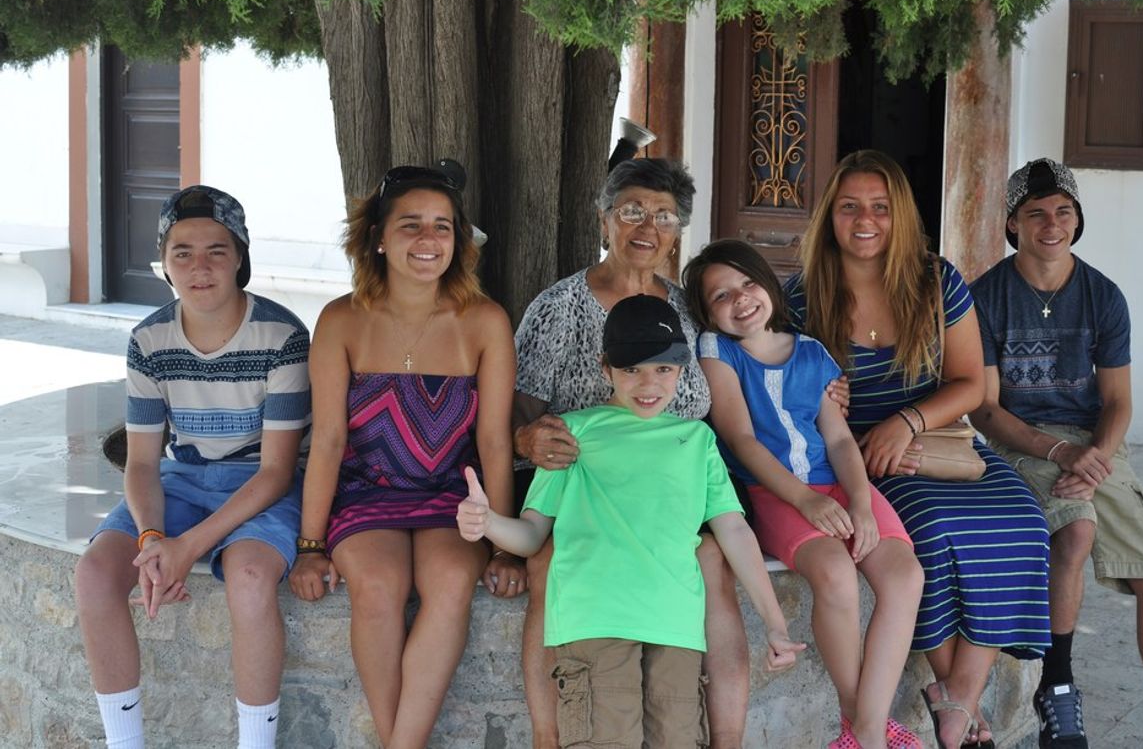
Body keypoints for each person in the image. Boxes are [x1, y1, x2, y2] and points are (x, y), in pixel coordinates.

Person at [785, 150, 1052, 749]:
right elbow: (781, 394)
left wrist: (906, 422)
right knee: (928, 531)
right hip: (859, 455)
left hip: (935, 440)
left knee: (1025, 521)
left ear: (900, 214)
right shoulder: (802, 296)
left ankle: (958, 696)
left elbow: (971, 384)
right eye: (850, 206)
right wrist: (831, 406)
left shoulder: (936, 280)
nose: (865, 220)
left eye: (880, 207)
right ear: (829, 215)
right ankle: (957, 708)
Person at [460, 294, 804, 748]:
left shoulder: (696, 439)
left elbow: (734, 531)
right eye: (631, 369)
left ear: (682, 370)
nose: (648, 384)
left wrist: (775, 623)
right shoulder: (571, 432)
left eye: (663, 369)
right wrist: (487, 523)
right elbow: (532, 535)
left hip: (677, 629)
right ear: (606, 369)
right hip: (594, 624)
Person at [511, 158, 752, 748]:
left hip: (675, 487)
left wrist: (827, 389)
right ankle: (550, 738)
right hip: (586, 492)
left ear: (677, 233)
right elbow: (516, 408)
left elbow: (756, 350)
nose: (648, 227)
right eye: (633, 211)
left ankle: (726, 740)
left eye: (664, 217)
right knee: (547, 563)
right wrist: (525, 438)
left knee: (713, 561)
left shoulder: (690, 309)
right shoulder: (559, 307)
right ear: (604, 220)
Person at [286, 161, 518, 748]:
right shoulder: (341, 320)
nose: (428, 239)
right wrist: (311, 547)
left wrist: (503, 543)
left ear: (458, 241)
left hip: (452, 496)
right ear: (379, 239)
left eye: (443, 226)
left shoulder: (485, 321)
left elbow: (494, 441)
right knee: (377, 585)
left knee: (451, 581)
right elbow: (329, 440)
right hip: (366, 493)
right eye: (410, 224)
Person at [74, 185, 311, 749]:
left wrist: (187, 548)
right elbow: (141, 462)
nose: (199, 268)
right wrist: (154, 539)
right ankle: (124, 743)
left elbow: (277, 471)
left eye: (216, 251)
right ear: (164, 262)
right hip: (181, 481)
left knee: (250, 579)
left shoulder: (282, 336)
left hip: (260, 486)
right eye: (182, 253)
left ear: (240, 257)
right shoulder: (149, 339)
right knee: (95, 574)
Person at [969, 158, 1143, 749]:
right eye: (1036, 213)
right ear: (1013, 223)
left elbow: (1118, 401)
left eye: (1064, 212)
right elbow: (985, 411)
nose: (1052, 225)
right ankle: (1058, 688)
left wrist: (1095, 457)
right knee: (1074, 532)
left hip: (1093, 442)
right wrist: (1059, 450)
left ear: (1077, 219)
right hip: (1024, 439)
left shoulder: (1103, 295)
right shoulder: (985, 297)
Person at [683, 239, 925, 749]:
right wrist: (805, 499)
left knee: (905, 576)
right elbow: (741, 439)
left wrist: (860, 503)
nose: (740, 299)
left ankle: (866, 727)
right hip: (773, 492)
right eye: (721, 295)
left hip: (839, 482)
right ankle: (861, 724)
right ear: (707, 313)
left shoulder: (813, 352)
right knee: (835, 572)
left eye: (748, 283)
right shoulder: (717, 351)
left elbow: (838, 440)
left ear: (768, 285)